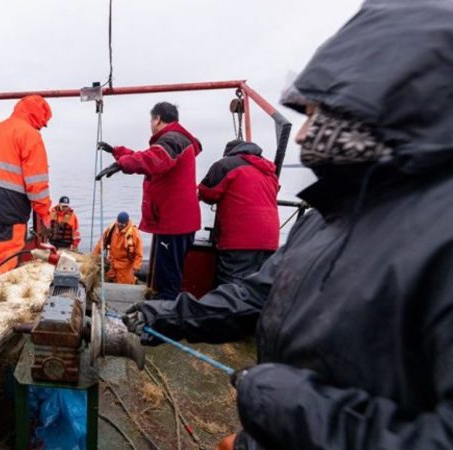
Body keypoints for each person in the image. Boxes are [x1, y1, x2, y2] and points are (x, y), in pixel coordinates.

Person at [123, 1, 453, 449]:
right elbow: (255, 294)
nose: (300, 136)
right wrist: (168, 315)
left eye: (318, 115)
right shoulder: (325, 217)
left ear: (389, 108)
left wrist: (284, 403)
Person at [97, 102, 202, 299]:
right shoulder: (176, 139)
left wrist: (121, 164)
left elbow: (154, 159)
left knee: (168, 278)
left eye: (151, 120)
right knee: (167, 273)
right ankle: (162, 308)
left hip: (174, 224)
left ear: (157, 119)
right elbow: (146, 155)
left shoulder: (173, 139)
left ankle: (162, 319)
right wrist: (117, 151)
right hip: (177, 223)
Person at [0, 95, 52, 275]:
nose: (42, 126)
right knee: (4, 259)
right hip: (8, 209)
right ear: (38, 116)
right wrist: (44, 213)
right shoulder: (30, 135)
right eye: (43, 122)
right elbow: (36, 182)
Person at [198, 139, 279, 286]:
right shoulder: (269, 170)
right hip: (270, 239)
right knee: (258, 288)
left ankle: (224, 309)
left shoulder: (226, 165)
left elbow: (207, 192)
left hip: (240, 238)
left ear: (229, 153)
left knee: (231, 286)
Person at [92, 212, 143, 284]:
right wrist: (94, 255)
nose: (120, 226)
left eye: (122, 224)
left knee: (125, 286)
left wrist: (136, 266)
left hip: (125, 266)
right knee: (108, 279)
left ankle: (134, 280)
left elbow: (139, 252)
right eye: (118, 223)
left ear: (127, 223)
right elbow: (101, 242)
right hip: (112, 263)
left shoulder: (134, 233)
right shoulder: (112, 228)